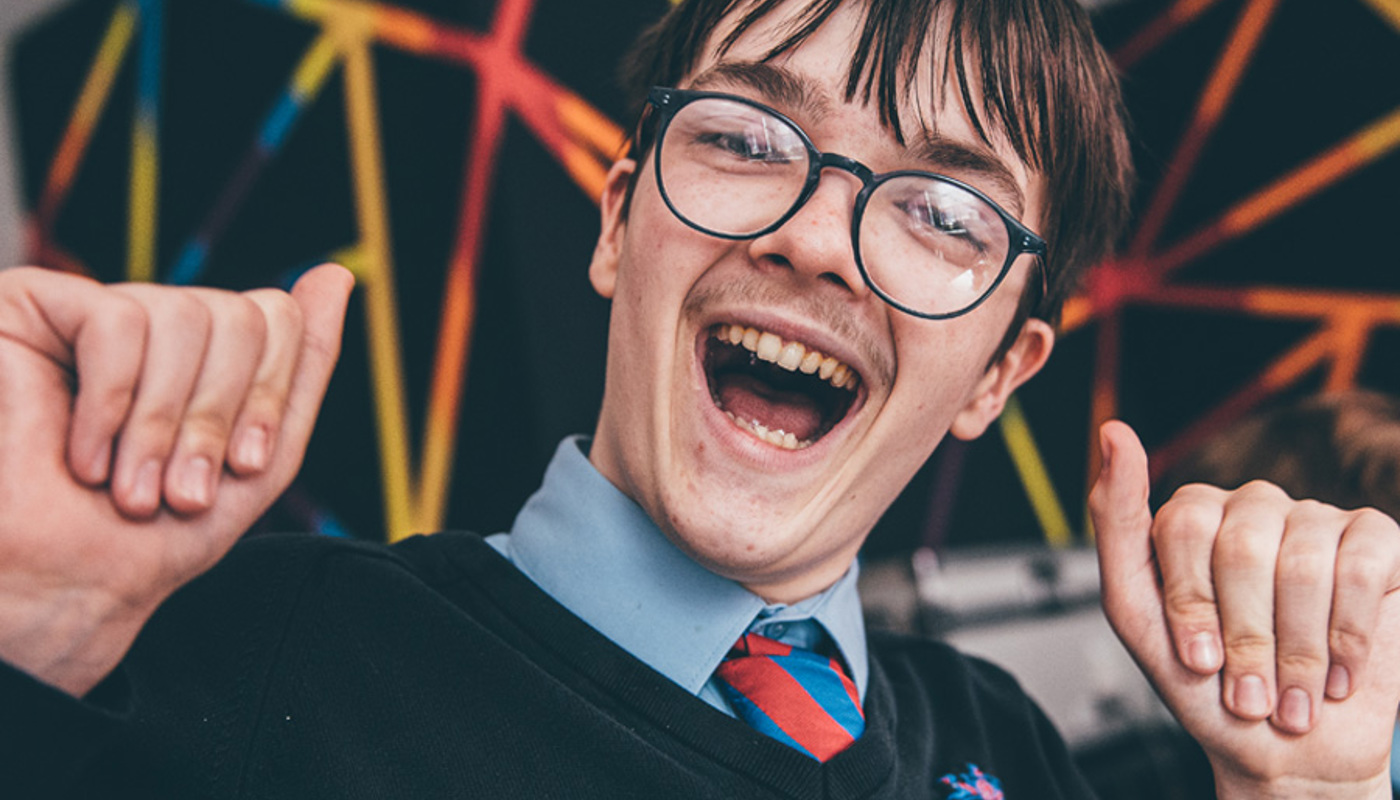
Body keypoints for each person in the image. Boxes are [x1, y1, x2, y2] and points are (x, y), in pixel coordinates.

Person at [2, 0, 1398, 797]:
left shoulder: (1003, 751)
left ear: (1002, 372)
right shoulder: (257, 663)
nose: (811, 235)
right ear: (618, 223)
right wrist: (31, 644)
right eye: (744, 135)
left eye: (943, 211)